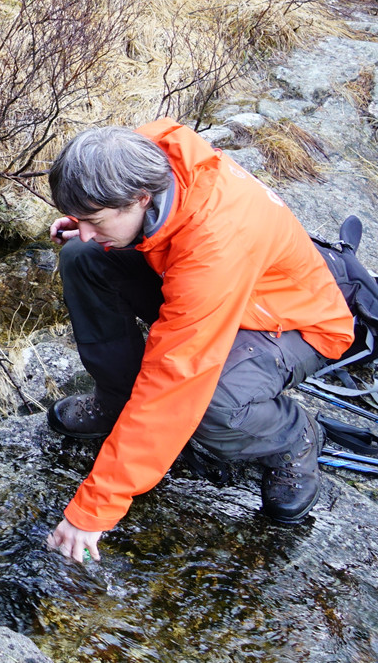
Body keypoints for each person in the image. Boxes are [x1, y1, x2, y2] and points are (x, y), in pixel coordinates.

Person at [41, 121, 355, 564]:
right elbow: (114, 218)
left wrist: (94, 510)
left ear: (140, 199)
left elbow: (175, 384)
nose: (88, 228)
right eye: (85, 218)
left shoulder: (215, 243)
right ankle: (116, 401)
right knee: (83, 256)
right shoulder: (143, 153)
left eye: (95, 220)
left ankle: (292, 436)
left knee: (210, 403)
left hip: (290, 322)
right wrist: (87, 221)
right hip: (203, 282)